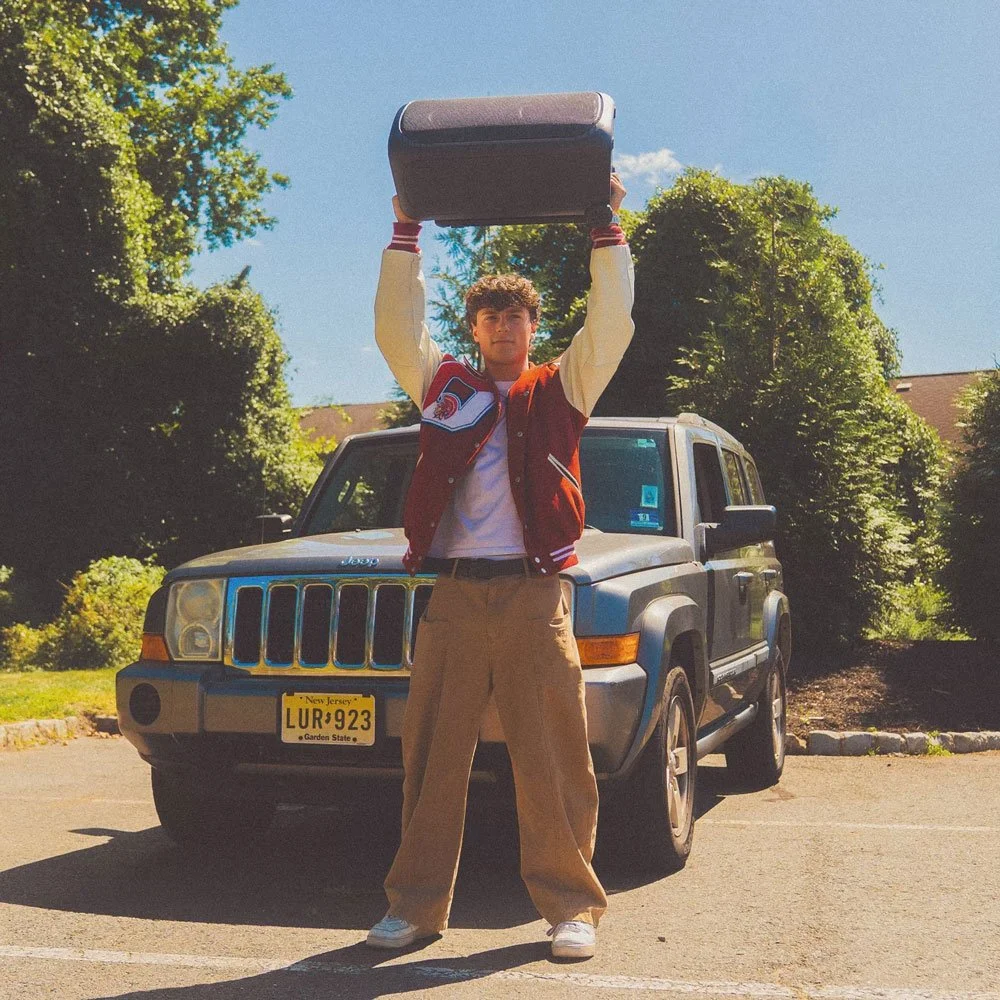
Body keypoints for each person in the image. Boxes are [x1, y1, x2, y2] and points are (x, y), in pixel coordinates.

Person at [367, 173, 633, 960]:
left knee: (552, 753)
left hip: (532, 593)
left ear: (532, 324)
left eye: (517, 314)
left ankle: (570, 909)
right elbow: (395, 330)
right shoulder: (444, 389)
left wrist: (607, 229)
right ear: (475, 329)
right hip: (452, 596)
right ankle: (413, 908)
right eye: (490, 315)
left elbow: (612, 323)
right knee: (431, 756)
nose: (504, 325)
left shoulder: (563, 388)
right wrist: (405, 233)